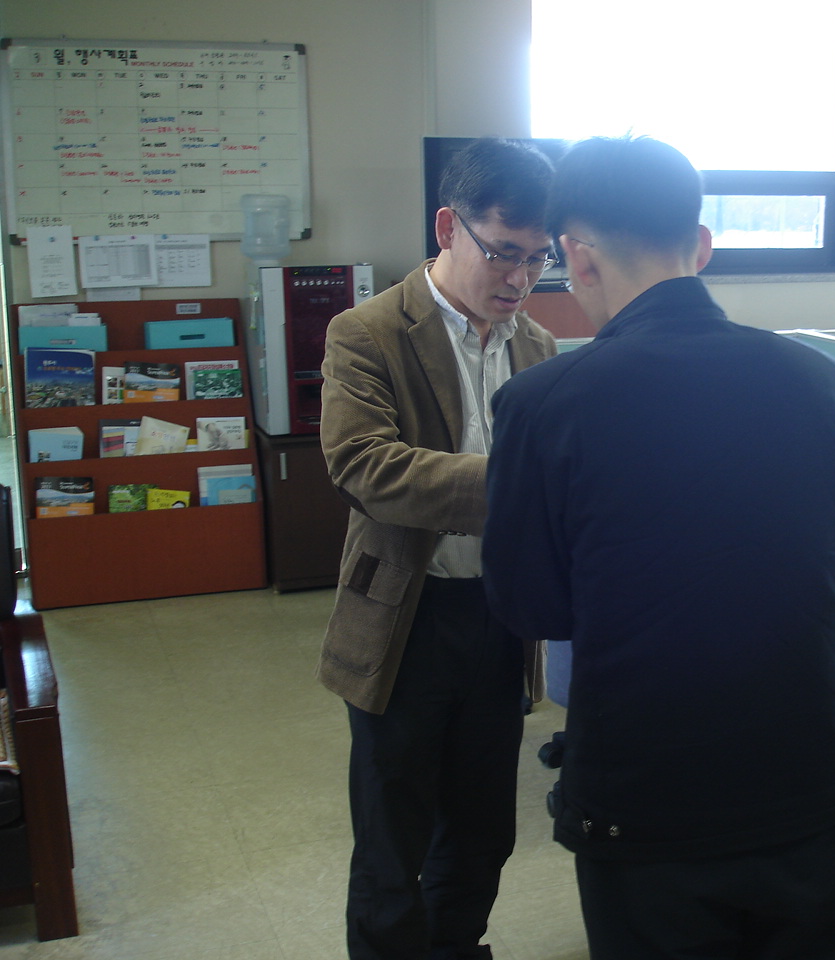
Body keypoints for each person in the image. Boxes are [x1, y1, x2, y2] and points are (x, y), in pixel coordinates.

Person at [482, 136, 835, 960]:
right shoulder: (821, 383)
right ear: (700, 244)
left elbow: (532, 607)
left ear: (578, 258)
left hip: (647, 801)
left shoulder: (543, 403)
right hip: (809, 782)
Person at [317, 137, 559, 960]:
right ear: (449, 226)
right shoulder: (368, 332)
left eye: (539, 259)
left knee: (484, 829)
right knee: (394, 836)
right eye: (504, 252)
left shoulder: (535, 346)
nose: (519, 278)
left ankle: (455, 947)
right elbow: (364, 467)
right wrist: (521, 485)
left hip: (498, 618)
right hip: (406, 616)